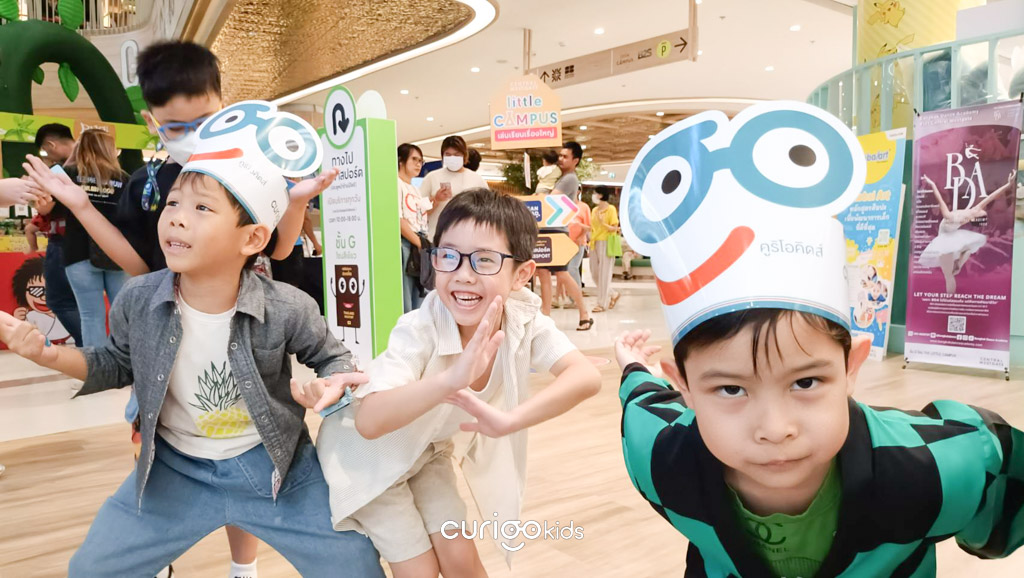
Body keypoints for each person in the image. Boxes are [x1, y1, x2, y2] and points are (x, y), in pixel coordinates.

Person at [617, 102, 1024, 576]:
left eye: (806, 382)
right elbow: (642, 396)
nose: (775, 429)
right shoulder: (661, 459)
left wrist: (987, 536)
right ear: (683, 385)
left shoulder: (939, 466)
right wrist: (632, 366)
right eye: (730, 388)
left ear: (851, 366)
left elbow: (999, 479)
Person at [0, 101, 385, 578]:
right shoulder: (140, 298)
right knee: (91, 570)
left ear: (252, 239)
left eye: (202, 208)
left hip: (276, 471)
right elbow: (115, 363)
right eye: (174, 204)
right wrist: (47, 354)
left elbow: (335, 359)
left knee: (356, 565)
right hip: (174, 472)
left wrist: (333, 385)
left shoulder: (287, 305)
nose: (177, 219)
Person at [305, 188, 602, 577]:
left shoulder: (523, 319)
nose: (463, 274)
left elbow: (585, 376)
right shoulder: (420, 327)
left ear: (522, 274)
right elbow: (370, 421)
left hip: (427, 453)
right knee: (420, 569)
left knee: (462, 560)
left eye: (484, 260)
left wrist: (510, 421)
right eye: (449, 256)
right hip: (368, 462)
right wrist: (451, 379)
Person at [44, 129, 131, 349]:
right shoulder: (124, 179)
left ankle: (96, 367)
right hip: (117, 252)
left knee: (91, 316)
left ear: (79, 148)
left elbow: (45, 206)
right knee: (123, 314)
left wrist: (69, 162)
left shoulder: (67, 174)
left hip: (77, 252)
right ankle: (128, 363)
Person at [917, 172, 1016, 294]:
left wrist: (931, 183)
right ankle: (958, 265)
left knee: (949, 275)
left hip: (948, 240)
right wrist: (1008, 185)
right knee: (966, 252)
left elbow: (939, 199)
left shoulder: (957, 214)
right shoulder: (967, 213)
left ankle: (953, 282)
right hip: (947, 240)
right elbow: (991, 197)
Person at [535, 142, 592, 330]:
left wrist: (538, 195)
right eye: (560, 155)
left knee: (562, 273)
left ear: (575, 160)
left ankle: (584, 313)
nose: (560, 159)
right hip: (548, 228)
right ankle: (546, 315)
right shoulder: (561, 177)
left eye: (565, 156)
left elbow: (549, 200)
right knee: (543, 273)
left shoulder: (569, 179)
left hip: (557, 230)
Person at [420, 135, 487, 239]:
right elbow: (420, 212)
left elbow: (487, 212)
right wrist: (436, 200)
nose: (452, 158)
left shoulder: (477, 180)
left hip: (469, 238)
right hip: (438, 238)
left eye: (457, 155)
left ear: (464, 155)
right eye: (448, 154)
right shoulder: (432, 177)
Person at [397, 143, 431, 312]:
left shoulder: (415, 189)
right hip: (407, 243)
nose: (418, 164)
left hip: (419, 241)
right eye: (414, 159)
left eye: (421, 161)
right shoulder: (396, 184)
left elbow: (419, 217)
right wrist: (419, 243)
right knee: (406, 294)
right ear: (401, 161)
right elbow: (398, 220)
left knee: (420, 292)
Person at [554, 184, 589, 308]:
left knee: (572, 269)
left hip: (578, 243)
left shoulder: (583, 207)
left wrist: (581, 236)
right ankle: (560, 297)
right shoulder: (563, 206)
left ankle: (577, 299)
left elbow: (588, 226)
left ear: (578, 191)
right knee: (562, 271)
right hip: (564, 242)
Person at [588, 186, 620, 312]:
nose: (593, 195)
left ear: (601, 195)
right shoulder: (594, 210)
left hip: (606, 242)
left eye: (595, 193)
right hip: (594, 242)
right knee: (595, 273)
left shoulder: (611, 209)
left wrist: (603, 223)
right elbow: (592, 227)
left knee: (604, 274)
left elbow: (615, 228)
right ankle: (613, 294)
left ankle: (601, 304)